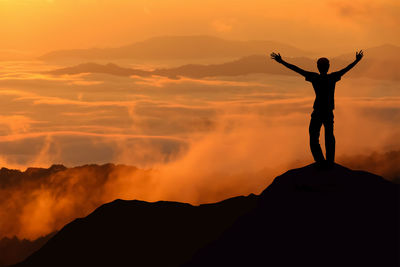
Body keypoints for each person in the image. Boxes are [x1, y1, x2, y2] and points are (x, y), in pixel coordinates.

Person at [270, 50, 363, 166]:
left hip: (318, 111)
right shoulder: (332, 77)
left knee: (314, 136)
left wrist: (282, 62)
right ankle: (329, 161)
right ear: (328, 67)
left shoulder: (315, 77)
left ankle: (320, 161)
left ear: (318, 67)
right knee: (329, 136)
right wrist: (357, 61)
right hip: (328, 112)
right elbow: (346, 69)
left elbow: (297, 69)